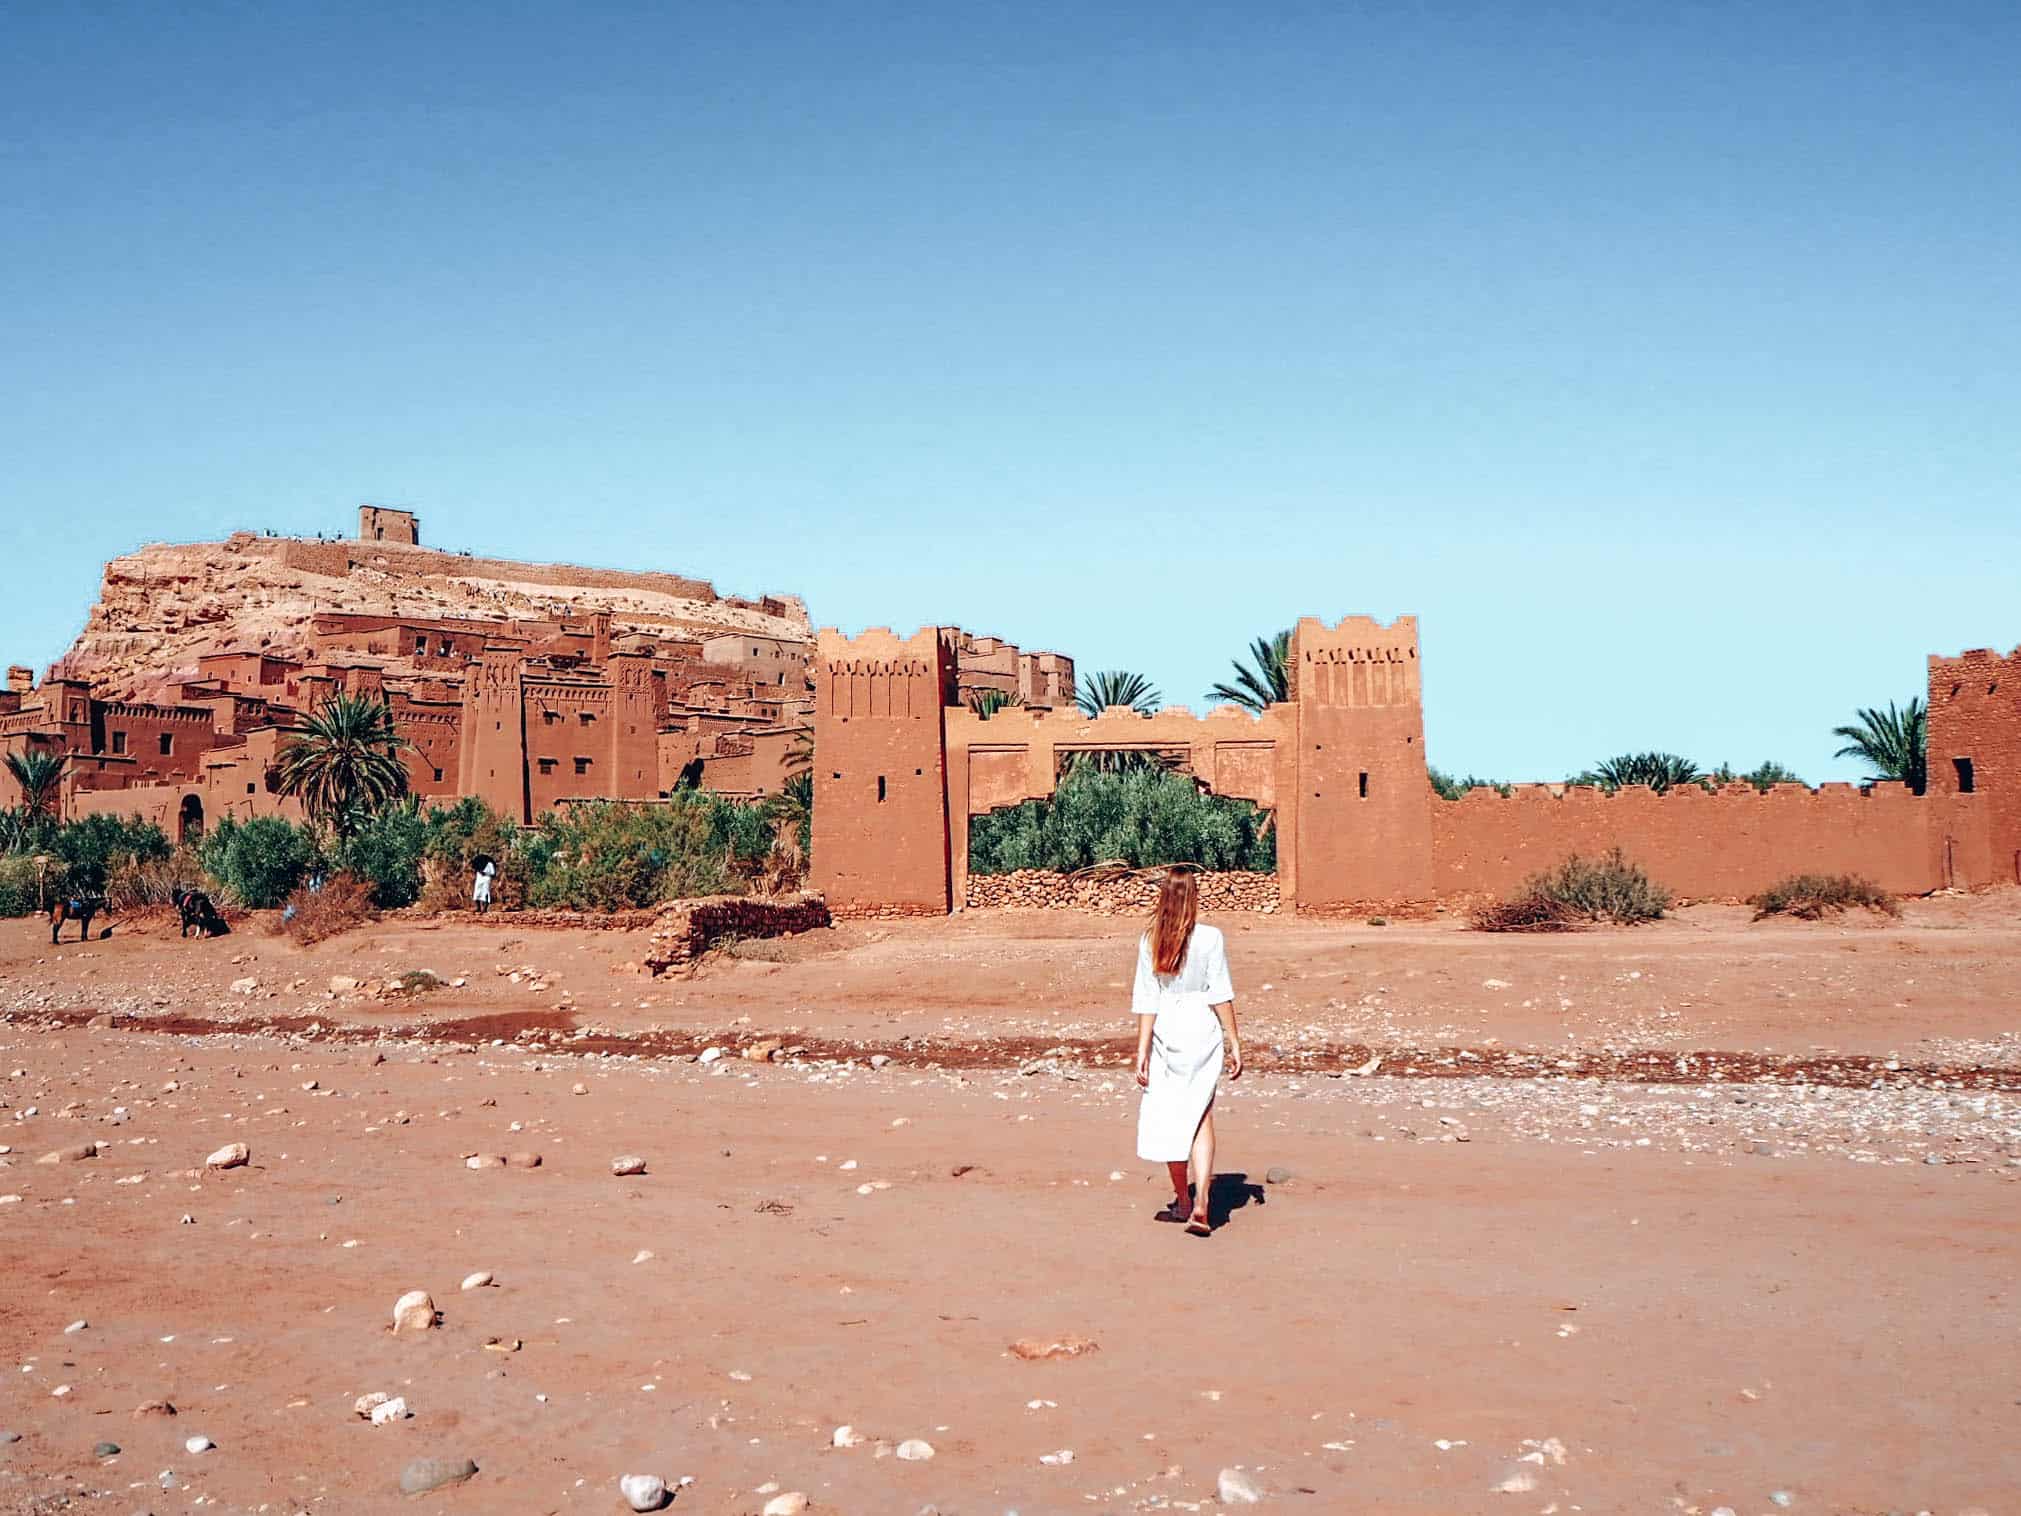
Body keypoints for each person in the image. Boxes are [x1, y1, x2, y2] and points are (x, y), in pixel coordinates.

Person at [1132, 869, 1241, 1236]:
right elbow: (1218, 991)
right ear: (1193, 897)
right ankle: (1202, 1204)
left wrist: (1142, 1049)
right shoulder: (1210, 937)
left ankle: (1182, 1199)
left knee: (1169, 1117)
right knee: (1201, 1116)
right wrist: (1234, 1040)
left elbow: (1148, 998)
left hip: (1167, 1029)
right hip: (1200, 1028)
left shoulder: (1150, 939)